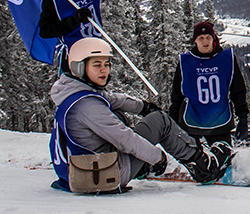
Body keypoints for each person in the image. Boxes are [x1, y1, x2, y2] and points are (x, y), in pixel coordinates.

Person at [49, 37, 231, 192]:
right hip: (105, 175)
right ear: (79, 67)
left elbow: (111, 99)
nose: (104, 70)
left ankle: (142, 167)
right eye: (97, 65)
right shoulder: (88, 106)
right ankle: (204, 166)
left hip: (82, 171)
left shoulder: (72, 94)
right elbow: (125, 138)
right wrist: (157, 157)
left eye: (106, 64)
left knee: (119, 112)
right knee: (161, 122)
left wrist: (142, 106)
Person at [168, 21, 250, 149]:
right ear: (195, 40)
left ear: (214, 38)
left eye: (208, 37)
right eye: (200, 38)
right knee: (195, 163)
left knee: (223, 162)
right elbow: (177, 94)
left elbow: (238, 90)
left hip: (220, 123)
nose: (205, 41)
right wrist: (172, 120)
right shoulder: (186, 63)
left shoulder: (226, 59)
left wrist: (243, 117)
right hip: (191, 123)